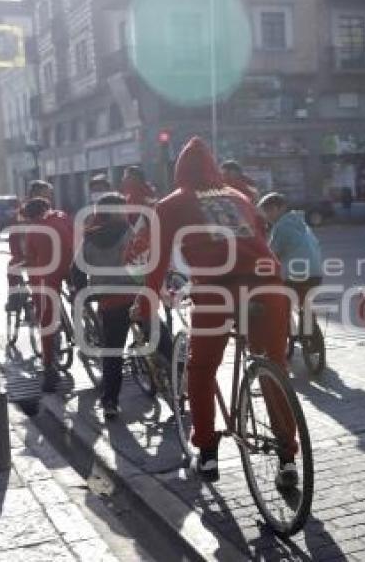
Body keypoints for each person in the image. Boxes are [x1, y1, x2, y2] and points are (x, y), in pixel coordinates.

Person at [132, 137, 297, 485]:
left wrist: (145, 302)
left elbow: (158, 261)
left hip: (217, 289)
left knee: (203, 367)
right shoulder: (240, 197)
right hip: (268, 283)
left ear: (180, 170)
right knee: (274, 364)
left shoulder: (170, 204)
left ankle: (206, 454)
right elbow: (259, 238)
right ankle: (287, 457)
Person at [72, 192, 172, 419]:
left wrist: (83, 295)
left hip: (110, 301)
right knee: (162, 338)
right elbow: (148, 261)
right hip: (139, 298)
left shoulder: (89, 239)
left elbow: (76, 270)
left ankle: (110, 402)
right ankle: (180, 378)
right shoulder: (131, 234)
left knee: (112, 352)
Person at [22, 193, 75, 392]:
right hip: (73, 268)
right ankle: (90, 322)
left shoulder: (34, 229)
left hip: (49, 275)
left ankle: (49, 370)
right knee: (79, 295)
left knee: (46, 320)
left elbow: (30, 258)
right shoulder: (62, 217)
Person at [257, 192, 323, 321]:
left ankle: (285, 332)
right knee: (305, 305)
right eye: (265, 211)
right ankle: (311, 333)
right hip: (316, 275)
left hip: (296, 277)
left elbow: (271, 254)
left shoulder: (281, 226)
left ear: (282, 208)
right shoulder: (302, 224)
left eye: (271, 210)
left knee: (280, 303)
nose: (267, 215)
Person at [5, 180, 58, 312]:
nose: (48, 197)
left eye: (49, 194)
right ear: (34, 194)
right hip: (28, 251)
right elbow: (21, 235)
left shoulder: (50, 209)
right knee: (13, 268)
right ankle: (15, 296)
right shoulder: (24, 212)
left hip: (47, 252)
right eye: (44, 194)